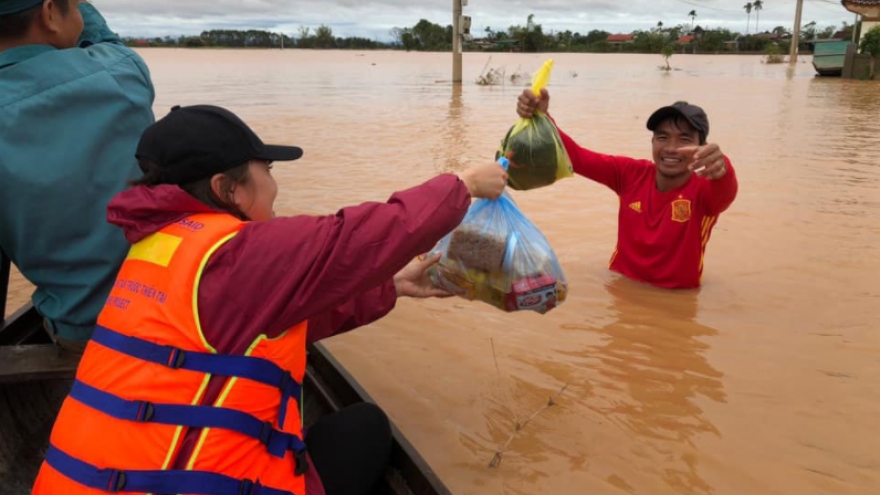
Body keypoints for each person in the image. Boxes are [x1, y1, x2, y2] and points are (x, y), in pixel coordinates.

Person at [31, 104, 508, 495]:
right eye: (267, 170)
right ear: (228, 189)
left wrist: (394, 286)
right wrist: (461, 187)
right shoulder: (235, 252)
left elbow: (263, 326)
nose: (276, 185)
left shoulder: (157, 249)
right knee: (364, 430)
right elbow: (356, 237)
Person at [0, 0, 155, 351]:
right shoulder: (122, 72)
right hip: (165, 312)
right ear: (51, 12)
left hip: (81, 333)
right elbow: (104, 39)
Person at [516, 89, 738, 289]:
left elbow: (725, 191)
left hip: (676, 299)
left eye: (684, 139)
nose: (671, 148)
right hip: (620, 287)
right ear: (652, 142)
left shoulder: (705, 190)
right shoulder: (630, 174)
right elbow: (577, 157)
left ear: (702, 148)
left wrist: (723, 165)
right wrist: (543, 118)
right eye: (662, 137)